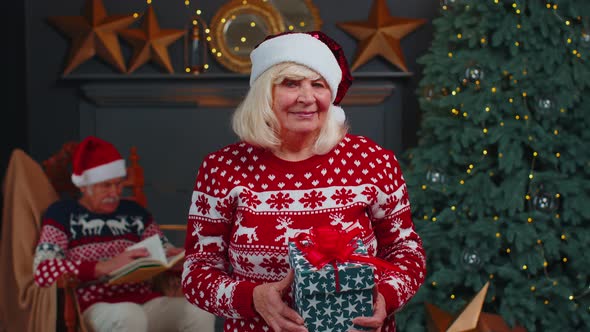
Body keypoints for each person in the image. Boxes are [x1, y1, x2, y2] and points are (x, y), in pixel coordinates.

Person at [181, 31, 426, 332]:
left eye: (318, 84)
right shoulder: (222, 168)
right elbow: (196, 273)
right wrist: (252, 297)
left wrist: (385, 297)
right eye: (290, 83)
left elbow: (406, 251)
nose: (307, 98)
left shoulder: (373, 161)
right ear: (264, 92)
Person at [33, 136, 215, 332]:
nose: (115, 192)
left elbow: (163, 250)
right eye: (106, 185)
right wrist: (103, 267)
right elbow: (43, 270)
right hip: (95, 304)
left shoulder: (135, 212)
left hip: (145, 301)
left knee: (199, 310)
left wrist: (176, 260)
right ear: (85, 187)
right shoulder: (62, 214)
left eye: (119, 184)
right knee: (130, 315)